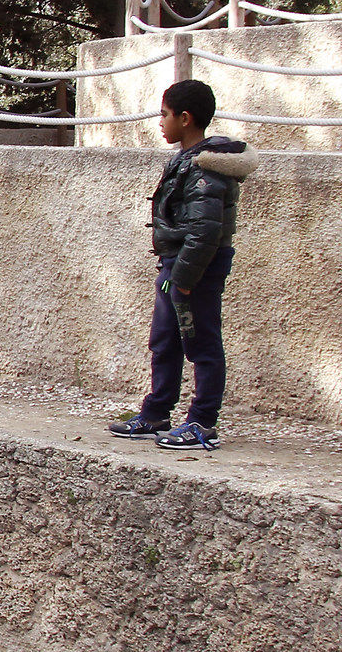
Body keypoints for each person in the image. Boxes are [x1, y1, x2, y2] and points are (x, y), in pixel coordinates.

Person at [106, 78, 256, 451]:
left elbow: (205, 232)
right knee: (165, 339)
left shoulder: (206, 169)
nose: (160, 122)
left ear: (185, 118)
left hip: (194, 268)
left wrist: (185, 279)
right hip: (176, 265)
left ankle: (203, 423)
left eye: (165, 114)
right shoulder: (186, 160)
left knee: (201, 342)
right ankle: (156, 412)